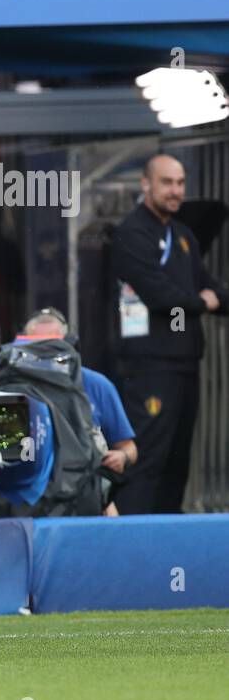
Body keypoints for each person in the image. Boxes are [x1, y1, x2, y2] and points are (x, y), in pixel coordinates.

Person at [111, 154, 229, 515]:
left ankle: (168, 539)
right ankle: (131, 538)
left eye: (180, 183)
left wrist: (207, 298)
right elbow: (160, 295)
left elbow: (212, 287)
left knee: (177, 462)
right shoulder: (133, 233)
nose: (176, 191)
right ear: (146, 184)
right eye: (167, 182)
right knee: (147, 458)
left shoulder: (182, 236)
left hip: (186, 364)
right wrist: (201, 301)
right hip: (150, 368)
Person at [17, 308, 136, 516]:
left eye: (52, 346)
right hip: (25, 495)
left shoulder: (97, 385)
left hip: (85, 494)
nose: (45, 354)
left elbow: (129, 447)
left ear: (69, 345)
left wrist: (122, 457)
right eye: (37, 347)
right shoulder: (12, 387)